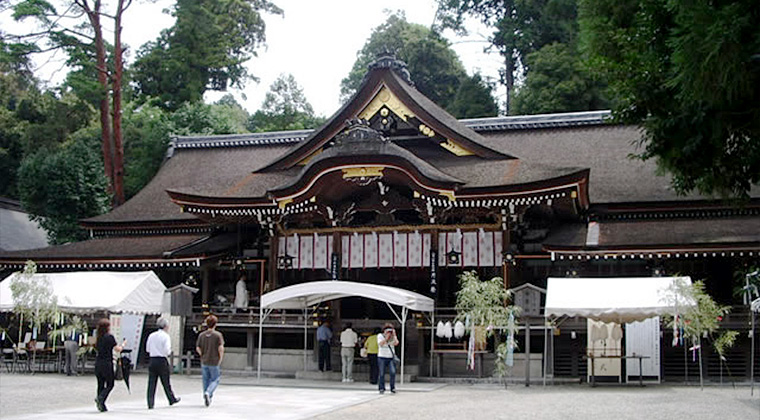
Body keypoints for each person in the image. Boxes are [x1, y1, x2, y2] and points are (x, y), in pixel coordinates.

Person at [146, 317, 180, 409]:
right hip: (162, 360)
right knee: (165, 381)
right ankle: (171, 398)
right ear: (165, 326)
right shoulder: (166, 336)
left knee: (151, 382)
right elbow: (167, 350)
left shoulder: (151, 335)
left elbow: (147, 349)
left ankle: (150, 402)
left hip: (152, 359)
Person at [94, 318, 125, 412]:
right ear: (107, 327)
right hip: (107, 363)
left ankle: (101, 405)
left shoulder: (98, 338)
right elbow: (117, 349)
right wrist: (123, 345)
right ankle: (100, 398)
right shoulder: (109, 337)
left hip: (98, 363)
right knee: (110, 384)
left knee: (100, 384)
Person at [196, 314, 225, 407]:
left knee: (205, 380)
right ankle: (208, 393)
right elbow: (221, 348)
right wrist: (220, 358)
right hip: (214, 360)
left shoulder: (202, 335)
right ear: (215, 324)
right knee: (215, 379)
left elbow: (198, 348)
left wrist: (202, 354)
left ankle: (206, 396)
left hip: (204, 360)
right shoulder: (218, 335)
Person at [377, 322, 399, 394]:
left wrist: (394, 335)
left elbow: (396, 343)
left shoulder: (393, 337)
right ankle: (381, 388)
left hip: (390, 357)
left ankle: (392, 387)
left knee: (392, 372)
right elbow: (380, 344)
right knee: (382, 373)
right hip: (382, 357)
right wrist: (386, 338)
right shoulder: (380, 336)